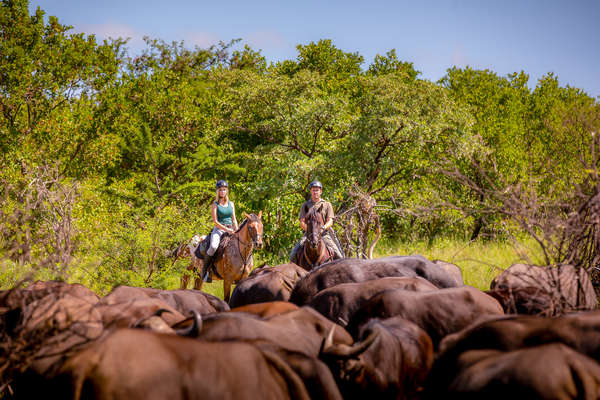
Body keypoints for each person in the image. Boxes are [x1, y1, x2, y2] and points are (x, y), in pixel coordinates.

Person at [290, 180, 344, 263]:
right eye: (313, 190)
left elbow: (330, 221)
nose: (315, 192)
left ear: (321, 191)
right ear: (310, 191)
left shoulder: (327, 204)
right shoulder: (305, 205)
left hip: (324, 234)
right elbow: (302, 222)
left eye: (317, 190)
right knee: (293, 255)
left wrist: (323, 228)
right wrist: (310, 230)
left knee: (339, 256)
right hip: (308, 235)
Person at [202, 180, 238, 282]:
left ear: (227, 191)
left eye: (224, 190)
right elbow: (215, 221)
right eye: (220, 190)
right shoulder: (215, 204)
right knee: (213, 246)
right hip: (219, 230)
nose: (222, 192)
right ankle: (205, 271)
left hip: (231, 228)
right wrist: (227, 229)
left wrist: (236, 229)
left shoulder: (231, 204)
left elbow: (234, 219)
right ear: (217, 192)